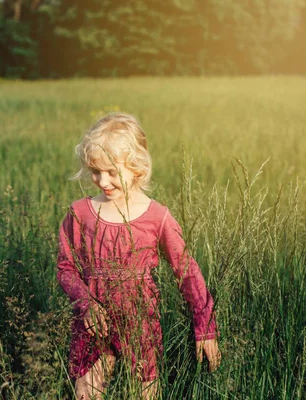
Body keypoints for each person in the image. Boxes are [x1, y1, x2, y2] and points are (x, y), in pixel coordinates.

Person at [57, 113, 221, 400]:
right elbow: (66, 268)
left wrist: (204, 326)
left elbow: (186, 270)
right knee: (85, 393)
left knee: (145, 394)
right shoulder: (79, 213)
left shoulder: (157, 216)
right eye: (95, 171)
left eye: (110, 171)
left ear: (137, 167)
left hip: (140, 324)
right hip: (92, 324)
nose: (101, 180)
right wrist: (86, 305)